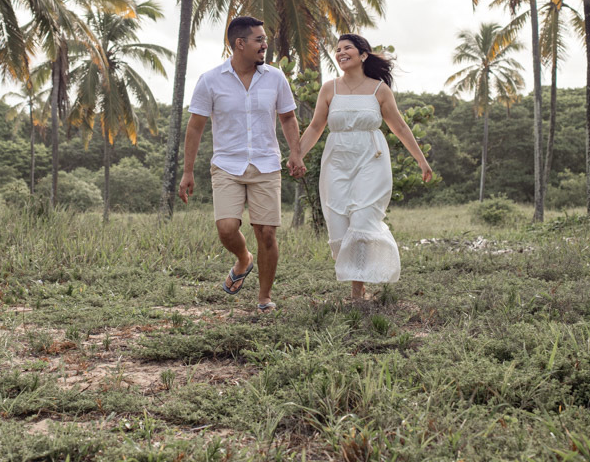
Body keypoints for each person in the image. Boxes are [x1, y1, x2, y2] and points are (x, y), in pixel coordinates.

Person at [178, 16, 306, 313]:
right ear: (240, 44)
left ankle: (264, 298)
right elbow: (195, 126)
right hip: (227, 164)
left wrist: (295, 153)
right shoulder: (210, 80)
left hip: (265, 163)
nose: (265, 45)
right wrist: (187, 171)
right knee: (226, 228)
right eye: (259, 40)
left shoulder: (275, 78)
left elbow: (288, 118)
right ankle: (244, 258)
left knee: (267, 233)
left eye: (264, 39)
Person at [294, 33, 433, 300]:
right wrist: (296, 155)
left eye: (348, 48)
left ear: (363, 55)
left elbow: (400, 126)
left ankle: (357, 292)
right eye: (338, 49)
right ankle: (358, 280)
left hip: (371, 159)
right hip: (337, 161)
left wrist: (421, 160)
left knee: (362, 220)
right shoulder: (329, 88)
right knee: (338, 224)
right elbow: (315, 127)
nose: (341, 52)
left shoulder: (379, 89)